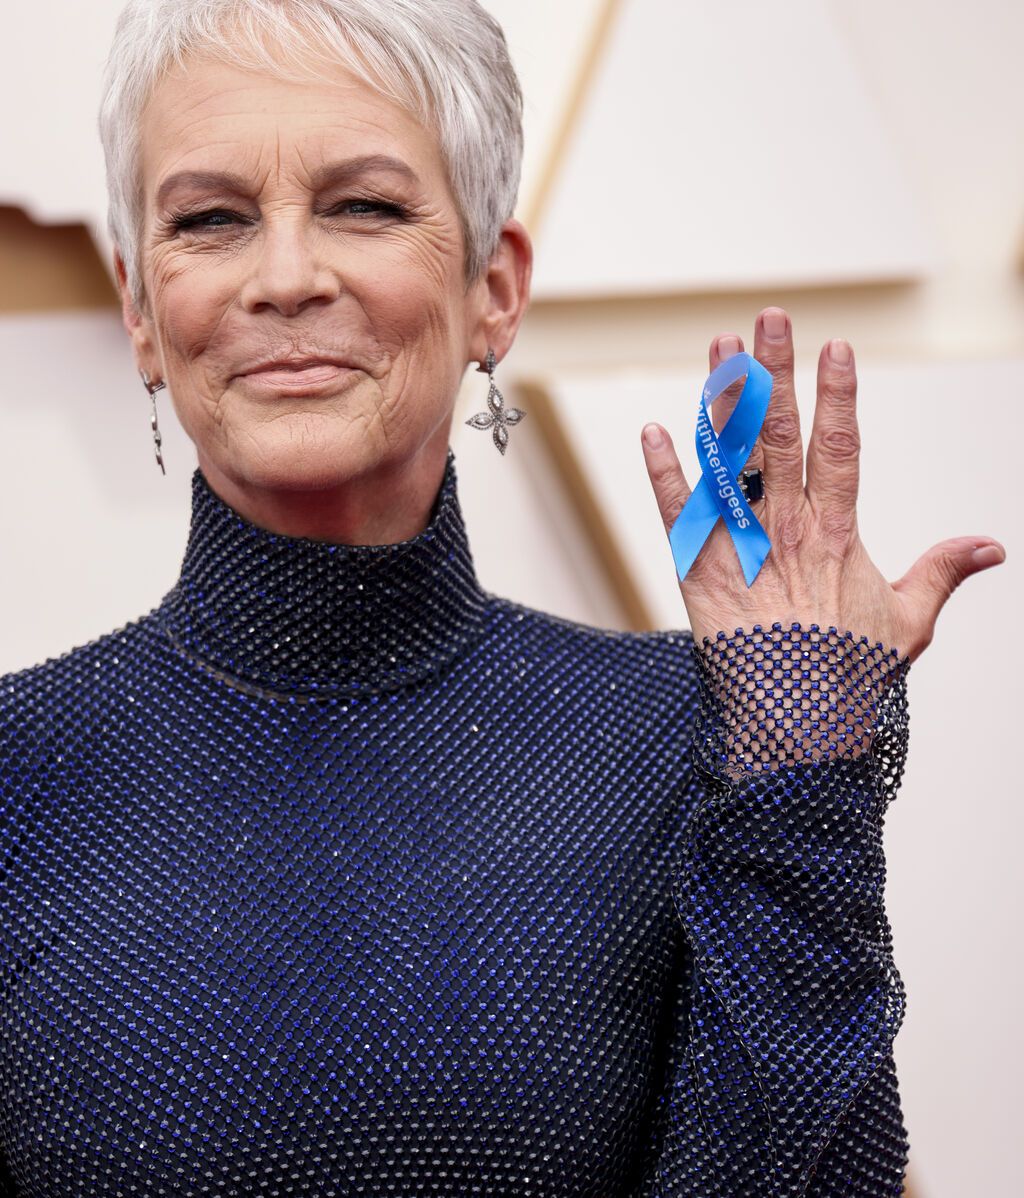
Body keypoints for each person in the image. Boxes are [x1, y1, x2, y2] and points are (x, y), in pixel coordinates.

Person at [0, 1, 1005, 1194]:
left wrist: (801, 770)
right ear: (139, 310)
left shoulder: (696, 738)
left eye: (363, 205)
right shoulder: (18, 778)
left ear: (494, 287)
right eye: (210, 220)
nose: (282, 276)